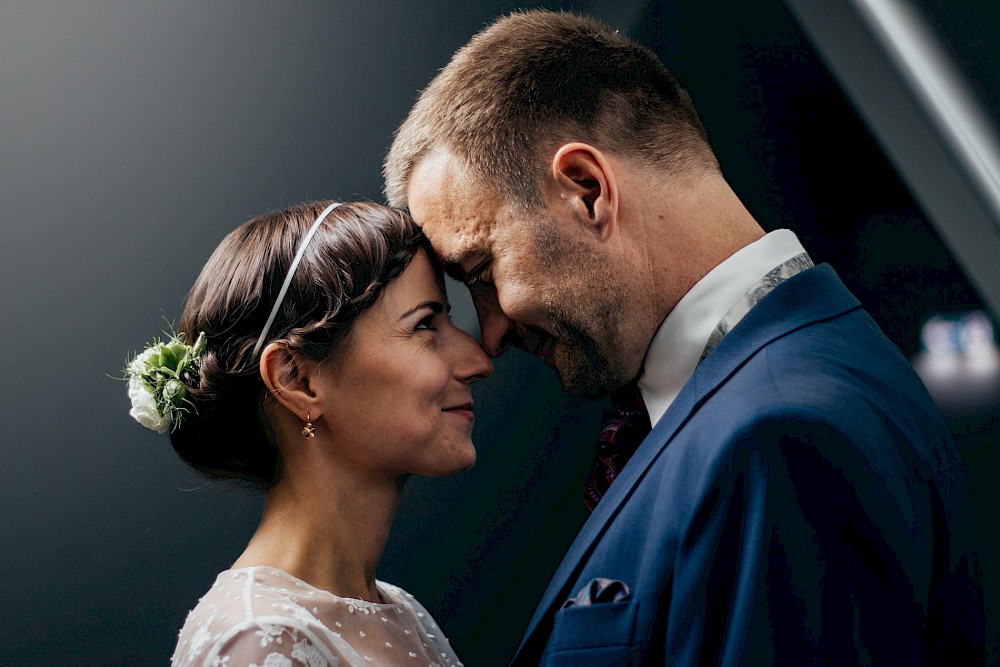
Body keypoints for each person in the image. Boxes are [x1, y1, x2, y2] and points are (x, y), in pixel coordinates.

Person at [384, 10, 984, 666]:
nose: (491, 332)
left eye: (483, 272)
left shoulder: (778, 438)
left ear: (586, 190)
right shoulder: (815, 373)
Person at [124, 201, 492, 666]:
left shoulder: (404, 612)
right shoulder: (259, 642)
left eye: (449, 319)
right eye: (424, 324)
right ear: (298, 380)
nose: (479, 361)